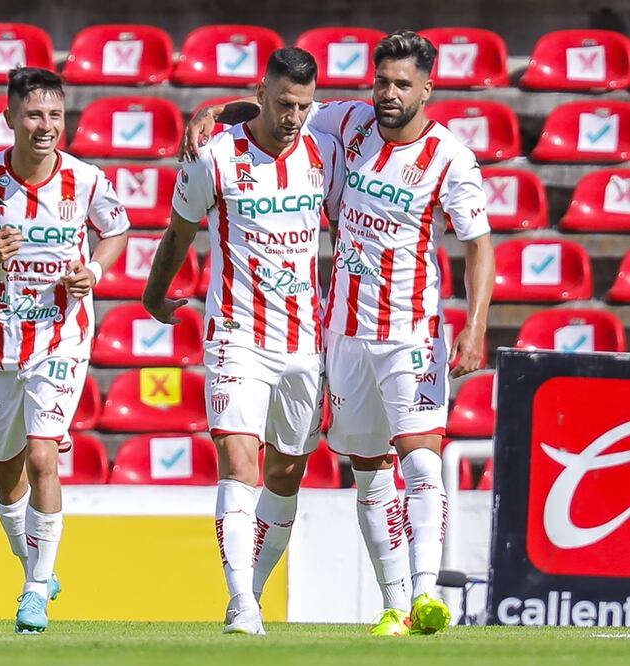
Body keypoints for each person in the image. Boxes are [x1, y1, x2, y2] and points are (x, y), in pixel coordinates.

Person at [185, 30, 495, 636]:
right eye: (382, 80)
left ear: (427, 89)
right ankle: (395, 605)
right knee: (369, 467)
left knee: (421, 458)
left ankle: (428, 593)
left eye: (403, 84)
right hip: (344, 334)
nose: (388, 92)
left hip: (412, 331)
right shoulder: (347, 121)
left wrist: (475, 325)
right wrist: (217, 110)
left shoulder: (451, 157)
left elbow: (478, 246)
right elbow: (280, 105)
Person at [143, 47, 343, 635]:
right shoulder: (216, 156)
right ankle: (241, 602)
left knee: (285, 473)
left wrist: (218, 105)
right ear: (262, 92)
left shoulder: (326, 147)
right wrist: (155, 296)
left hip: (306, 340)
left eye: (303, 106)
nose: (293, 117)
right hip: (237, 333)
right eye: (283, 103)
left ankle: (253, 589)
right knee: (238, 459)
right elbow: (178, 233)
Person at [0, 67, 129, 634]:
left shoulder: (86, 180)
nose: (46, 126)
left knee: (44, 454)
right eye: (34, 115)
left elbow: (117, 230)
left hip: (61, 340)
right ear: (10, 119)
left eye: (54, 115)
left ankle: (32, 596)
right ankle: (37, 571)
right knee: (6, 476)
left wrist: (92, 271)